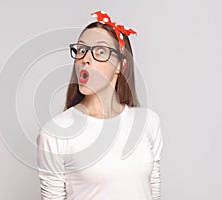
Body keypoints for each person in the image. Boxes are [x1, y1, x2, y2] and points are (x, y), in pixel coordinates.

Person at [36, 10, 164, 200]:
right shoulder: (56, 132)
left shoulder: (148, 122)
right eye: (81, 50)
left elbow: (153, 191)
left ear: (121, 65)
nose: (86, 58)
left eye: (100, 51)